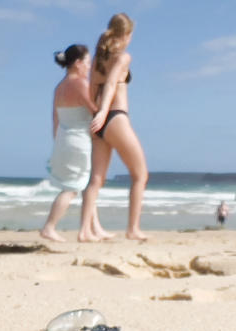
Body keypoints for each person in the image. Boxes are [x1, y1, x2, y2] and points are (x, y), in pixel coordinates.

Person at [78, 13, 149, 242]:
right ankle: (133, 229)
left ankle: (84, 231)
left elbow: (90, 91)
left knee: (96, 179)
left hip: (98, 123)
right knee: (140, 175)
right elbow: (110, 84)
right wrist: (103, 112)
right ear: (126, 34)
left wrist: (95, 114)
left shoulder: (99, 59)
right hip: (115, 117)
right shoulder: (122, 57)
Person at [40, 44, 112, 243]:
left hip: (64, 138)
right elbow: (94, 110)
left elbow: (55, 118)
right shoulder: (79, 83)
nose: (89, 67)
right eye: (88, 63)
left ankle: (94, 228)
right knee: (72, 188)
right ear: (78, 63)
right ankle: (49, 227)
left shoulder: (59, 87)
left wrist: (58, 141)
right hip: (78, 139)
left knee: (85, 185)